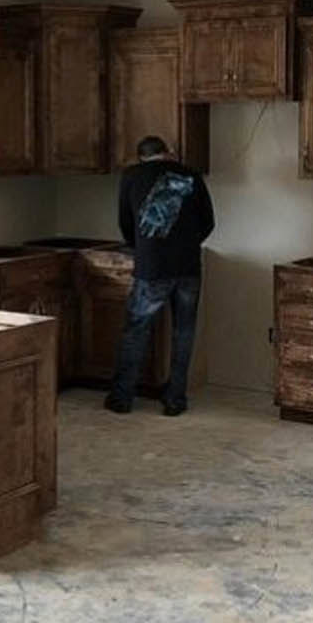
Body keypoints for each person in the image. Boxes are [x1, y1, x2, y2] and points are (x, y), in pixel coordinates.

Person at [107, 135, 215, 416]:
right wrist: (188, 243)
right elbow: (209, 222)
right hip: (189, 267)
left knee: (136, 330)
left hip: (152, 267)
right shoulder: (191, 175)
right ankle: (175, 399)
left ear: (140, 157)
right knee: (184, 332)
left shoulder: (132, 176)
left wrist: (142, 246)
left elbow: (125, 222)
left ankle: (122, 398)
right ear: (168, 152)